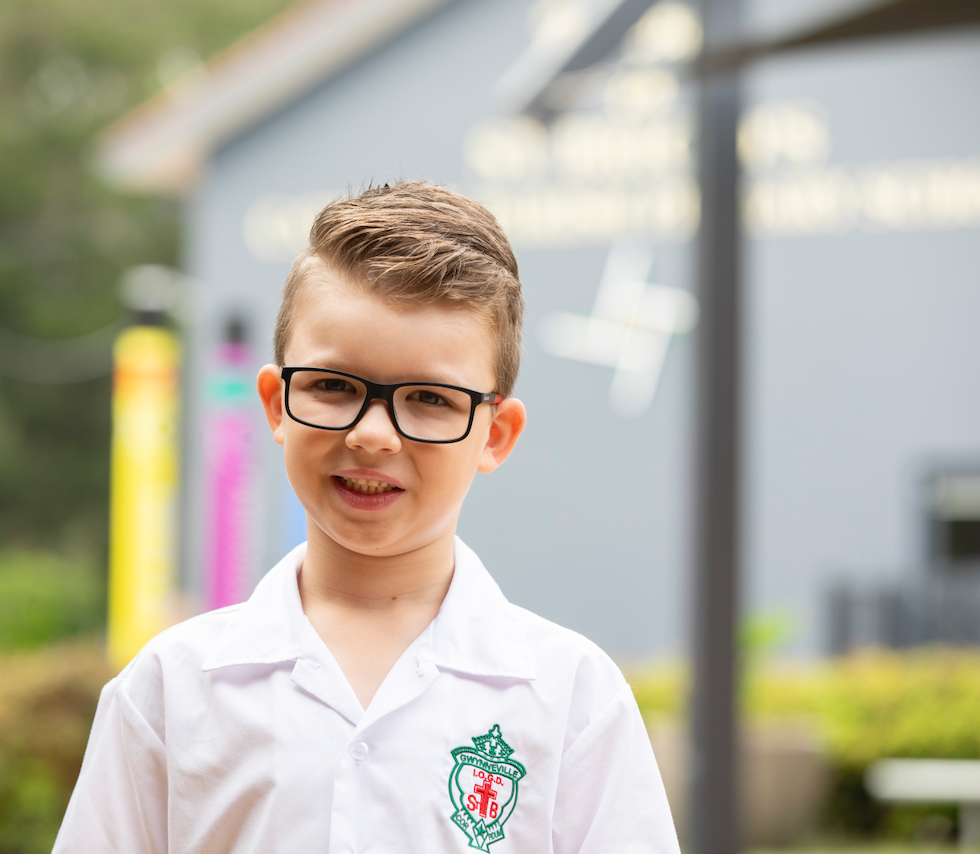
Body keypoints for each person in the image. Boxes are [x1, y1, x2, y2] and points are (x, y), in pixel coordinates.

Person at [53, 182, 679, 853]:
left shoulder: (573, 699)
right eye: (332, 385)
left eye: (430, 399)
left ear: (495, 436)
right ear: (276, 404)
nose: (374, 435)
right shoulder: (169, 691)